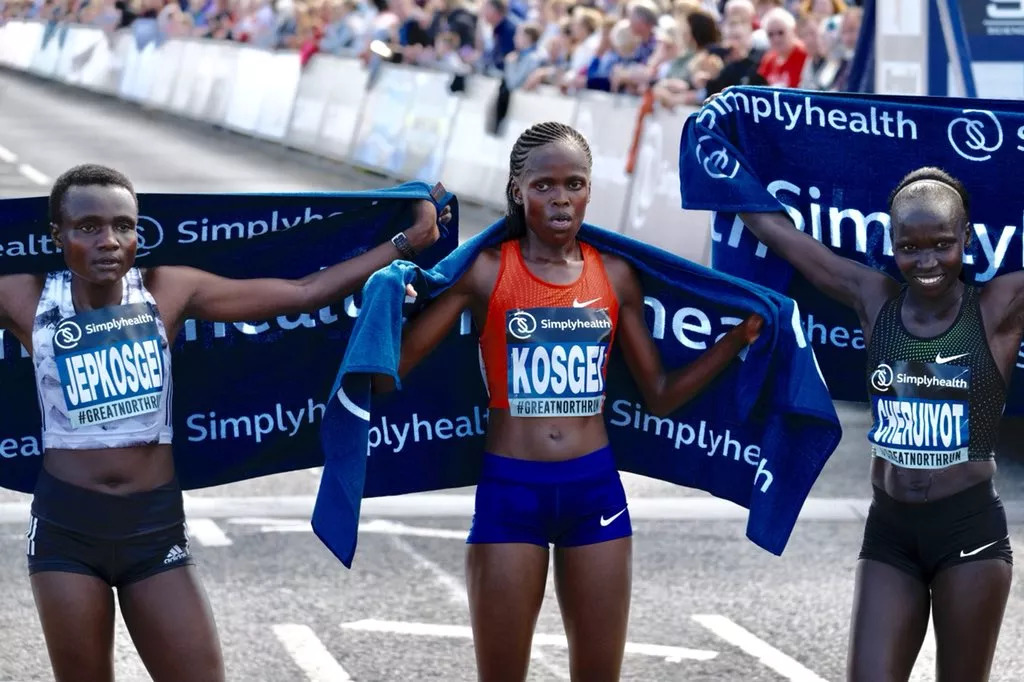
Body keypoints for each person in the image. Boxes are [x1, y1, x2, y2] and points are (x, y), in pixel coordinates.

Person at [8, 164, 445, 682]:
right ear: (57, 235)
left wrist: (407, 241)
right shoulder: (26, 297)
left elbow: (304, 292)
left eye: (124, 226)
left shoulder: (168, 290)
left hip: (153, 530)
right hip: (65, 529)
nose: (108, 241)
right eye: (88, 227)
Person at [377, 122, 762, 680]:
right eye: (544, 186)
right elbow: (390, 374)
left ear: (589, 189)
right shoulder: (485, 273)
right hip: (512, 493)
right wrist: (393, 283)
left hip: (595, 493)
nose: (561, 198)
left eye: (575, 184)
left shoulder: (617, 277)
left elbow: (659, 396)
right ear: (517, 190)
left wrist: (734, 341)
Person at [733, 166, 1014, 681]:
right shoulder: (875, 297)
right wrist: (723, 167)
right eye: (910, 247)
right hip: (890, 532)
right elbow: (783, 237)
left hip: (970, 533)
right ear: (891, 243)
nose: (926, 261)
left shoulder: (996, 308)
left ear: (967, 238)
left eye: (942, 244)